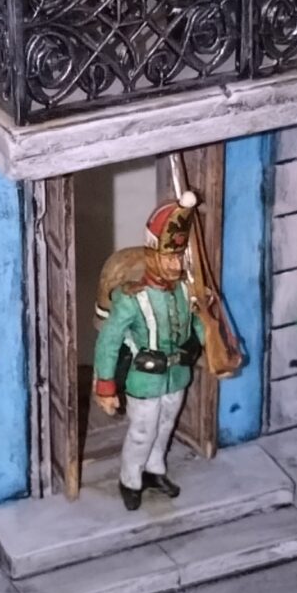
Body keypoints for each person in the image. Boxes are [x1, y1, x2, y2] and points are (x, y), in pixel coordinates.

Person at [91, 195, 204, 511]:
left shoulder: (186, 290)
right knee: (142, 431)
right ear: (153, 256)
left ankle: (155, 470)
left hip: (176, 375)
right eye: (168, 257)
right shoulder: (132, 298)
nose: (175, 265)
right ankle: (130, 480)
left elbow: (196, 324)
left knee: (166, 425)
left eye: (178, 257)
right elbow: (109, 341)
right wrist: (105, 385)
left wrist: (213, 344)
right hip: (144, 377)